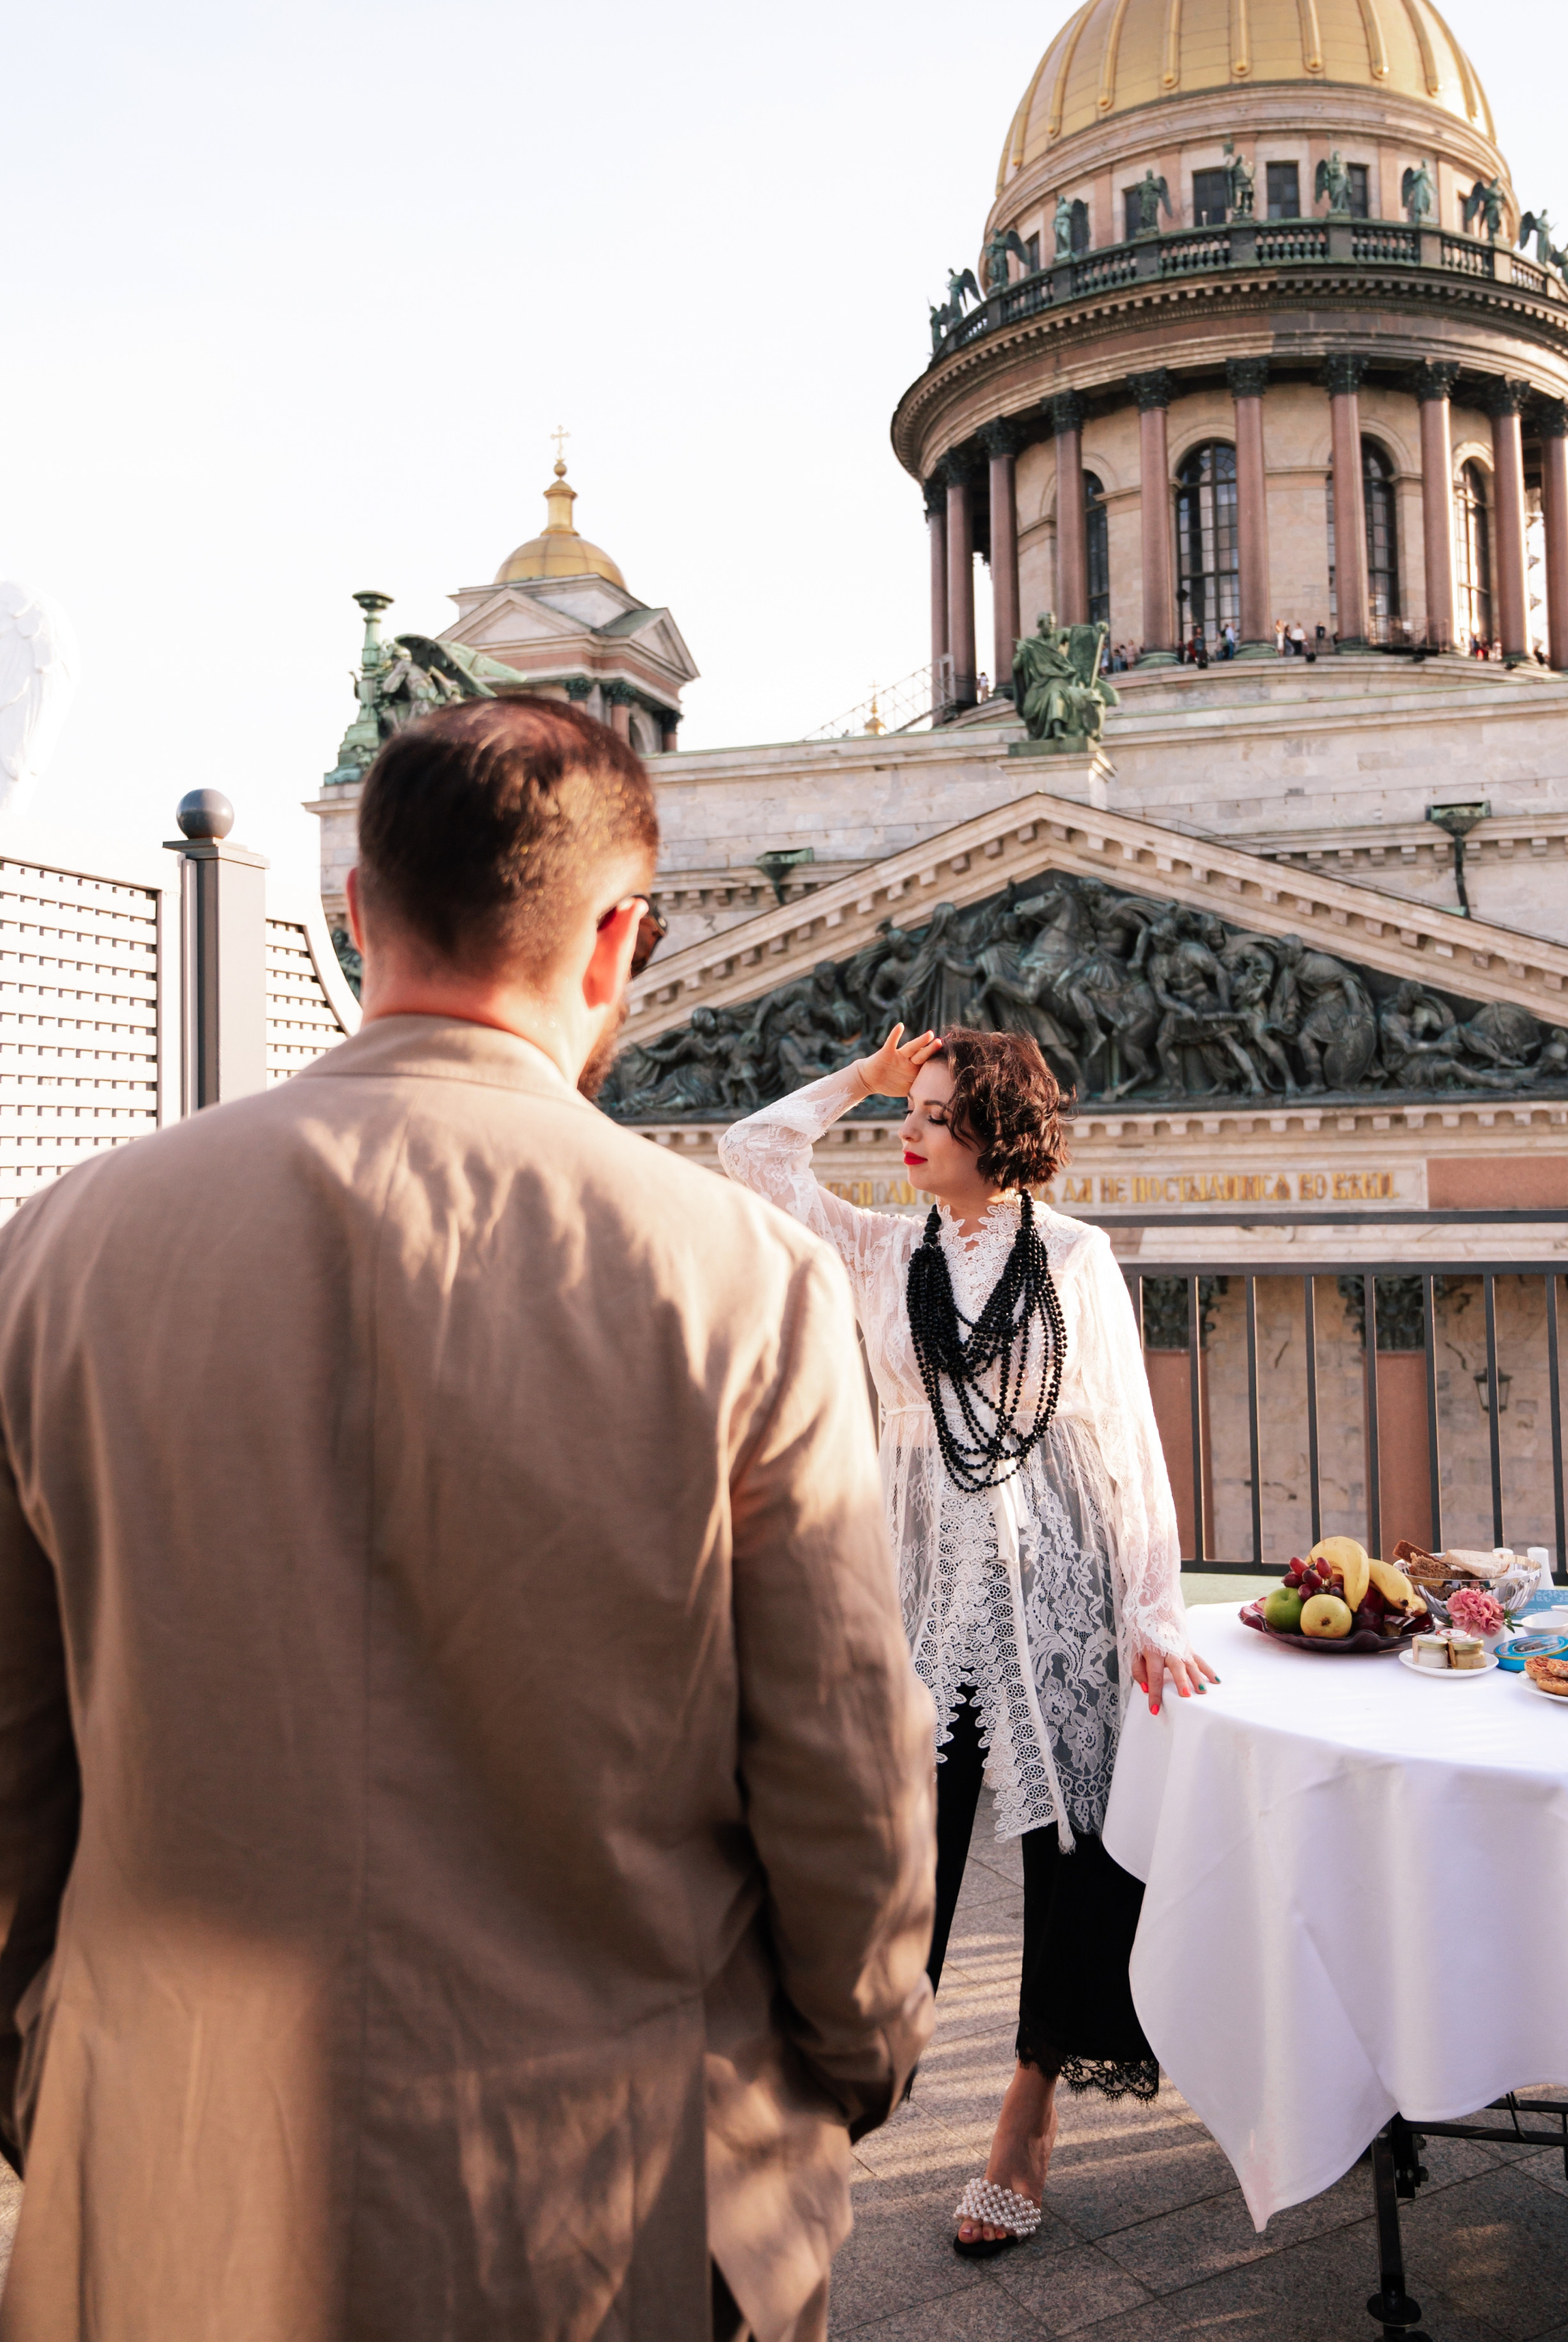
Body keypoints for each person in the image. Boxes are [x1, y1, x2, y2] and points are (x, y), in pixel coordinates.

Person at [0, 698, 937, 2342]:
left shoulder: (63, 1248)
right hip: (601, 2196)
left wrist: (57, 2072)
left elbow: (9, 1767)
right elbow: (841, 1768)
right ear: (618, 938)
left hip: (164, 2179)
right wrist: (845, 2068)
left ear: (356, 912)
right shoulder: (743, 1280)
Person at [719, 1026, 1214, 2260]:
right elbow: (751, 1150)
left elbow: (1131, 1446)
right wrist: (862, 1081)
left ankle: (1027, 2119)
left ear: (995, 1132)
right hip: (921, 1585)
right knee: (896, 1841)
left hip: (1064, 1581)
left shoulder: (1081, 1259)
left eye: (938, 1114)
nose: (915, 1129)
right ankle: (828, 2102)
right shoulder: (885, 1249)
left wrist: (1153, 1609)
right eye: (917, 1108)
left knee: (1071, 1848)